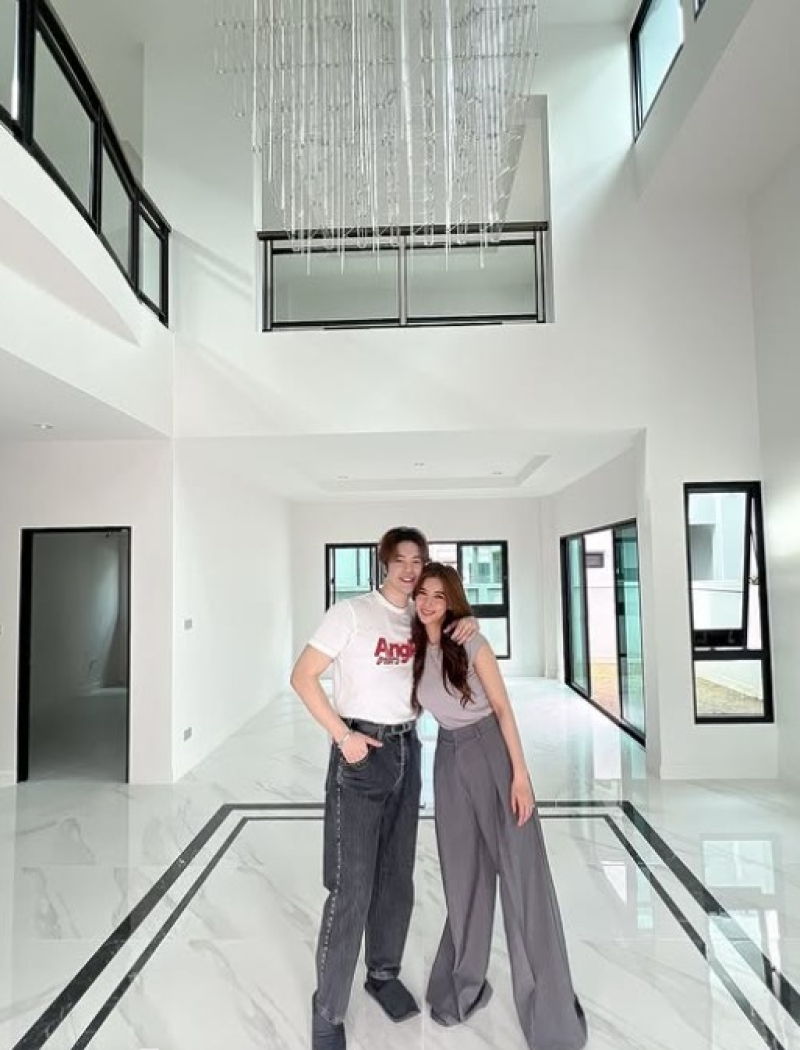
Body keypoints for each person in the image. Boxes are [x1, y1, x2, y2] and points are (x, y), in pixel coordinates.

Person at [290, 528, 475, 1050]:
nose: (410, 569)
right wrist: (343, 737)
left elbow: (455, 640)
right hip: (361, 753)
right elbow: (303, 676)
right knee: (350, 888)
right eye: (401, 560)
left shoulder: (421, 616)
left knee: (396, 879)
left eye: (419, 561)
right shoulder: (351, 613)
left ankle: (383, 974)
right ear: (384, 563)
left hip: (407, 750)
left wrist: (470, 623)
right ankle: (328, 1008)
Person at [412, 562, 588, 1050]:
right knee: (462, 875)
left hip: (491, 750)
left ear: (452, 601)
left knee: (521, 879)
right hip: (448, 758)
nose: (427, 603)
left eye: (438, 596)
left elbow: (505, 708)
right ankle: (464, 984)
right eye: (422, 593)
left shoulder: (472, 643)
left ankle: (550, 1013)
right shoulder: (414, 646)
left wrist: (520, 775)